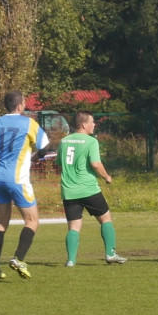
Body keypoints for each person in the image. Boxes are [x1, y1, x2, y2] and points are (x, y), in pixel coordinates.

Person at [0, 91, 49, 280]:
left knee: (2, 223)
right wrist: (34, 158)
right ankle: (18, 258)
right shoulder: (29, 123)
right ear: (20, 106)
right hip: (18, 179)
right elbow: (45, 146)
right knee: (32, 221)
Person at [57, 111, 127, 266]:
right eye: (92, 122)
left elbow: (59, 162)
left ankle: (71, 260)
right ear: (84, 124)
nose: (94, 125)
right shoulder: (91, 142)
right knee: (105, 219)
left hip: (69, 191)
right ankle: (110, 253)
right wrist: (107, 176)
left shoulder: (63, 141)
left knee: (74, 227)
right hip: (88, 189)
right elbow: (95, 164)